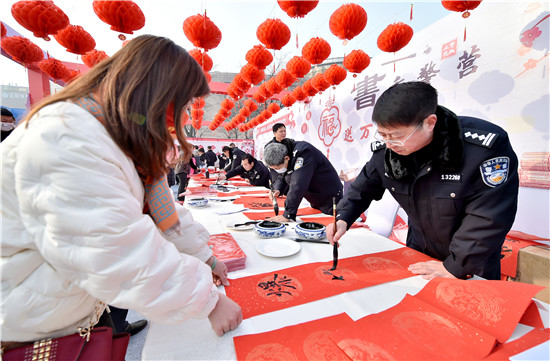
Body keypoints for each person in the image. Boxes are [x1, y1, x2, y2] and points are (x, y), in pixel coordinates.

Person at [1, 35, 242, 347]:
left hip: (62, 306)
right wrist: (210, 301)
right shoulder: (66, 138)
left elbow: (162, 209)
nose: (182, 120)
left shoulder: (110, 134)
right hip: (30, 326)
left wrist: (205, 257)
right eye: (181, 105)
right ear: (156, 94)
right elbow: (119, 250)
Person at [327, 81, 519, 281]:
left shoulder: (482, 149)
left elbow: (489, 216)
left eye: (396, 136)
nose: (389, 144)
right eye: (383, 135)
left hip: (470, 264)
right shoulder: (389, 151)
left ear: (430, 122)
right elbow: (362, 188)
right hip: (419, 252)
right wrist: (342, 217)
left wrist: (456, 266)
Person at [263, 141, 343, 222]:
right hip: (315, 196)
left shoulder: (304, 153)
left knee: (331, 224)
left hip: (329, 197)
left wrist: (288, 214)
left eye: (277, 168)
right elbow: (283, 175)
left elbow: (298, 184)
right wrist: (277, 189)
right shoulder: (285, 154)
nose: (277, 171)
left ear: (286, 158)